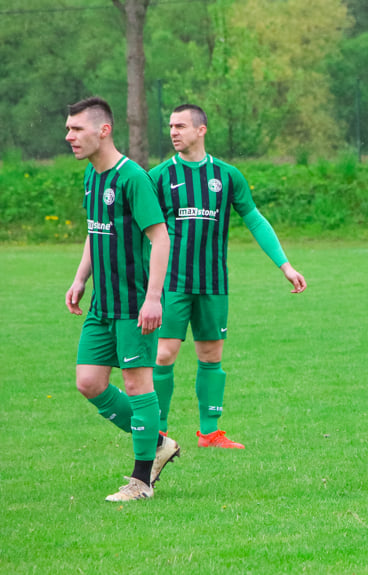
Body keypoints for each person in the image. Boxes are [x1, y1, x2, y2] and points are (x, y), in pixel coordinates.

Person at [149, 104, 307, 450]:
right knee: (163, 355)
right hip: (171, 282)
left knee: (210, 355)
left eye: (181, 126)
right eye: (171, 126)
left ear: (201, 130)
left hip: (214, 282)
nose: (173, 132)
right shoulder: (159, 176)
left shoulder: (227, 176)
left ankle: (210, 432)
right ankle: (157, 431)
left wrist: (286, 265)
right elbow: (141, 228)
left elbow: (254, 219)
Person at [64, 97, 180, 501]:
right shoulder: (91, 178)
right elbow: (96, 232)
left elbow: (160, 237)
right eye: (68, 129)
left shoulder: (132, 178)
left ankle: (141, 480)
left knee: (136, 385)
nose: (69, 137)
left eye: (77, 129)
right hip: (102, 304)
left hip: (134, 303)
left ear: (103, 130)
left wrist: (153, 299)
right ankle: (160, 441)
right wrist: (81, 278)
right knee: (89, 381)